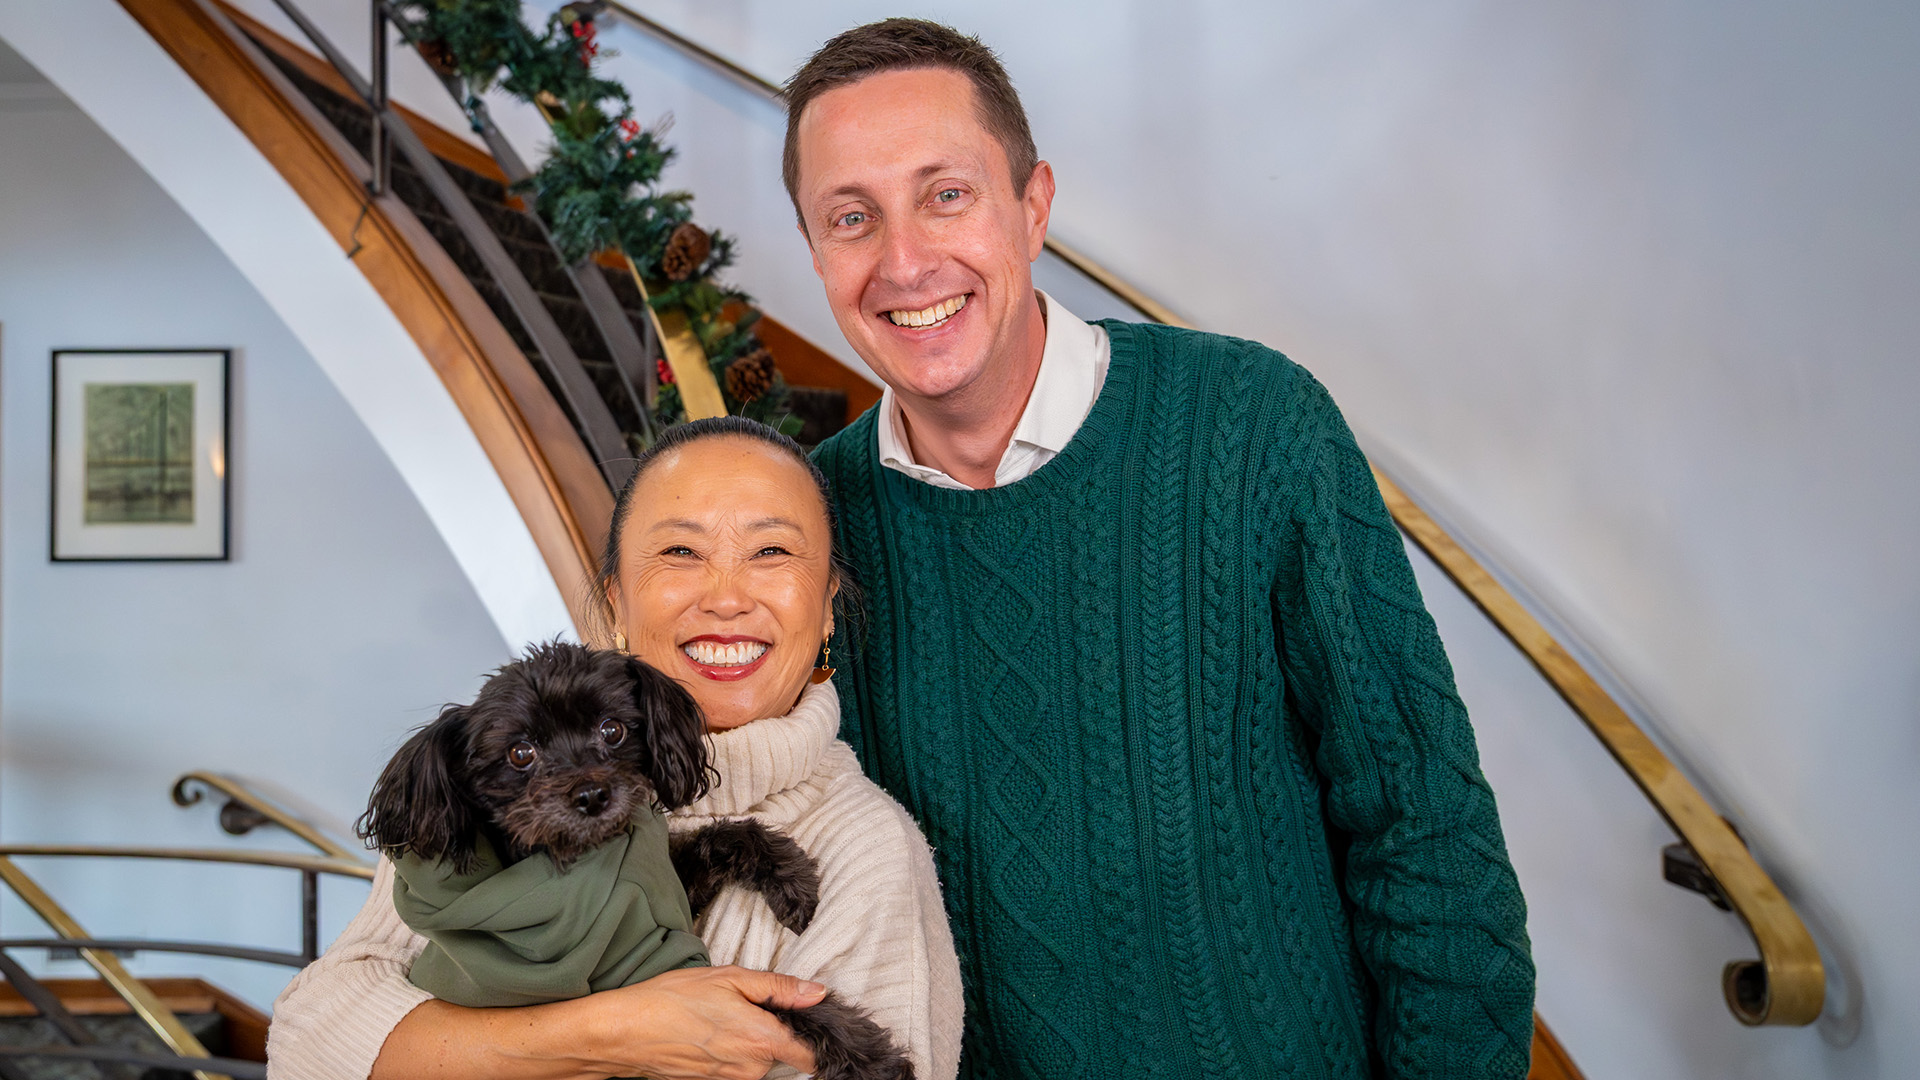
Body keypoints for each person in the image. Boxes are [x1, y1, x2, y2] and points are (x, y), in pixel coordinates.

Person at [791, 18, 1536, 1079]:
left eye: (945, 194)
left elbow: (1426, 830)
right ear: (816, 254)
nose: (905, 261)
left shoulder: (1251, 423)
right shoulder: (810, 532)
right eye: (851, 216)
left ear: (1032, 205)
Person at [267, 419, 963, 1080]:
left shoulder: (866, 850)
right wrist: (615, 1030)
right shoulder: (460, 819)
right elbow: (307, 1044)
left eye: (771, 551)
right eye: (681, 551)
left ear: (827, 605)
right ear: (617, 604)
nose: (726, 597)